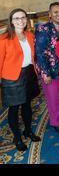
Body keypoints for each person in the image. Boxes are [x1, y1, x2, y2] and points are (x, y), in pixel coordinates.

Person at [0, 9, 41, 151]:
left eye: (23, 17)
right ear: (11, 21)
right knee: (14, 108)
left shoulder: (30, 35)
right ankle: (17, 137)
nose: (20, 20)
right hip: (12, 78)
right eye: (17, 18)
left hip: (29, 73)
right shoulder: (4, 39)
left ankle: (28, 131)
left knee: (27, 105)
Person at [34, 2, 59, 133]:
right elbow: (39, 52)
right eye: (56, 12)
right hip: (50, 70)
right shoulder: (43, 29)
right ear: (49, 14)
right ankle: (56, 122)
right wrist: (45, 73)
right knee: (54, 98)